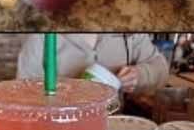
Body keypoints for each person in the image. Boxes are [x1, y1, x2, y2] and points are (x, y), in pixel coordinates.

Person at [16, 34, 169, 94]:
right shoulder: (41, 37)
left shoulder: (129, 32)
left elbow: (160, 68)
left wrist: (140, 75)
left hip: (114, 129)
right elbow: (21, 93)